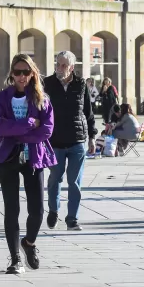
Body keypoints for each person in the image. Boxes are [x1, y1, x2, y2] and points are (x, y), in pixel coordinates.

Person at [0, 54, 56, 275]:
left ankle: (28, 243)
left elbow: (46, 130)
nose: (21, 76)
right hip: (8, 157)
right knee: (12, 209)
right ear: (11, 74)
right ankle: (14, 258)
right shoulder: (2, 98)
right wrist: (29, 123)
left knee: (37, 210)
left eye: (25, 72)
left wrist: (18, 132)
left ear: (32, 74)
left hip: (33, 156)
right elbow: (0, 128)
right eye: (17, 72)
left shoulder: (41, 99)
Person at [44, 51, 97, 231]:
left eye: (64, 65)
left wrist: (92, 137)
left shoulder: (81, 85)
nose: (60, 68)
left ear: (72, 67)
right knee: (54, 179)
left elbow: (88, 113)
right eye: (57, 64)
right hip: (55, 141)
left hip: (77, 140)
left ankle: (72, 219)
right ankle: (53, 210)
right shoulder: (48, 84)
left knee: (74, 182)